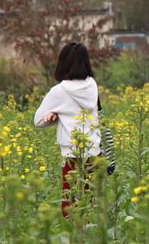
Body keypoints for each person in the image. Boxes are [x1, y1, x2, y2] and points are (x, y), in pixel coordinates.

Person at [34, 42, 106, 218]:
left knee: (70, 204)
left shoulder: (59, 91)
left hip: (72, 154)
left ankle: (74, 242)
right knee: (92, 201)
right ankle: (91, 241)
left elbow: (38, 121)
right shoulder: (92, 85)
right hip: (94, 151)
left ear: (64, 62)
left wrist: (55, 114)